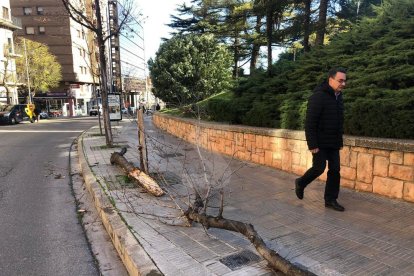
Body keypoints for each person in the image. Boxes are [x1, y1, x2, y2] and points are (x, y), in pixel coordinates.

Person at [295, 67, 347, 212]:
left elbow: (338, 121)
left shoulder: (338, 96)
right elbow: (310, 123)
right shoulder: (318, 96)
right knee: (319, 168)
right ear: (331, 79)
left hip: (334, 142)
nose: (343, 83)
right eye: (340, 80)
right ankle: (301, 182)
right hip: (319, 142)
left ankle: (330, 200)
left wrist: (339, 141)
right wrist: (312, 144)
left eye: (344, 81)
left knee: (335, 170)